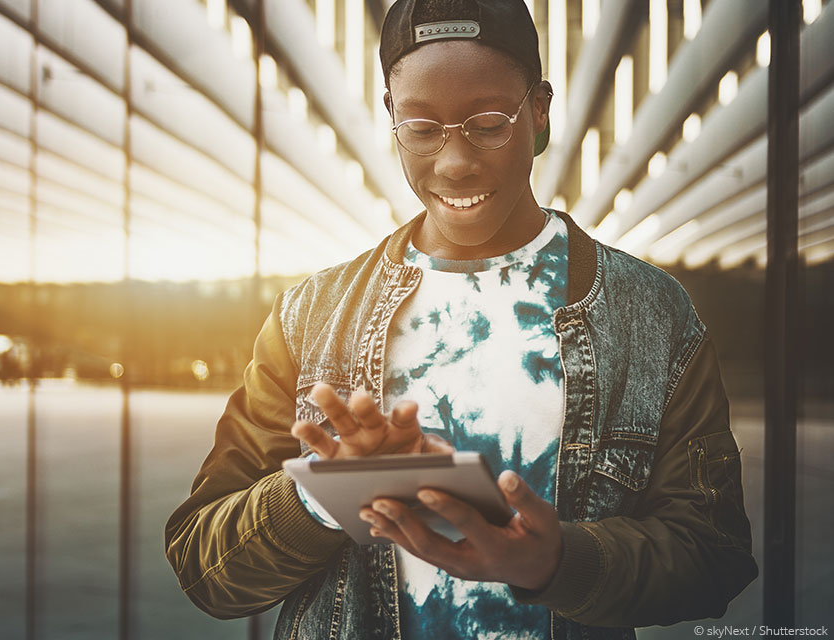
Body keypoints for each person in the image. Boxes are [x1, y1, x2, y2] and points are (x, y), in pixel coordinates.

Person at [164, 0, 758, 638]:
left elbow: (713, 556)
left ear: (539, 112)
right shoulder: (311, 316)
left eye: (487, 123)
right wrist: (322, 496)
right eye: (421, 127)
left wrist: (558, 560)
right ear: (390, 115)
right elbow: (206, 569)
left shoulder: (650, 315)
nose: (453, 163)